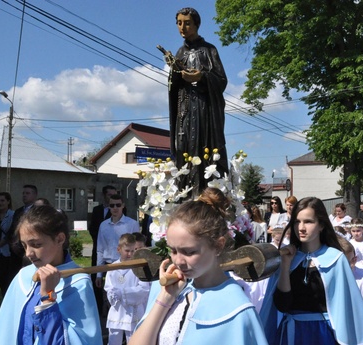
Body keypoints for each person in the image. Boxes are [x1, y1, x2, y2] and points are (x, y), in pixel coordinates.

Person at [128, 187, 268, 345]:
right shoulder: (169, 290)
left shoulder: (237, 309)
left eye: (189, 252)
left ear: (218, 245)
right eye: (172, 250)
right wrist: (164, 299)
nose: (178, 261)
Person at [260, 197, 363, 345]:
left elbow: (347, 308)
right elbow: (282, 305)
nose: (301, 228)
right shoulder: (287, 258)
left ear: (321, 225)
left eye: (308, 222)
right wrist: (284, 265)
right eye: (297, 222)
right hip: (292, 334)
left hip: (323, 334)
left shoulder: (335, 259)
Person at [0, 205, 101, 344]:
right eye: (24, 245)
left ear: (60, 239)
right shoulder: (23, 277)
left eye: (35, 244)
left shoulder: (78, 284)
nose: (28, 253)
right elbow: (4, 333)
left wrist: (48, 297)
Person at [166, 7, 228, 193]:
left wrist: (201, 77)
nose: (182, 27)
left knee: (204, 149)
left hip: (204, 110)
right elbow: (174, 86)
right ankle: (185, 191)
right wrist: (175, 71)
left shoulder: (209, 50)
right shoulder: (180, 52)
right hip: (184, 109)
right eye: (179, 23)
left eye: (187, 23)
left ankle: (206, 192)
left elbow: (222, 80)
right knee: (185, 149)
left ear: (196, 24)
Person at [105, 233, 151, 345]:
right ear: (119, 249)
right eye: (127, 251)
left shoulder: (139, 267)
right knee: (114, 339)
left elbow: (144, 289)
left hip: (133, 312)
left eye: (133, 250)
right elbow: (108, 286)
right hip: (117, 310)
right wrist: (112, 295)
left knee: (133, 339)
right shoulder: (112, 268)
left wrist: (123, 293)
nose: (130, 254)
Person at [96, 194, 140, 289]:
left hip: (126, 265)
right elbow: (100, 250)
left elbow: (137, 248)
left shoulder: (132, 224)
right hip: (108, 266)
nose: (115, 208)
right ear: (109, 207)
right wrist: (98, 274)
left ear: (123, 205)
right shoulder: (103, 225)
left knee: (128, 294)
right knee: (109, 297)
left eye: (118, 205)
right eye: (112, 205)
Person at [89, 185, 119, 314]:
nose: (112, 198)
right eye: (109, 195)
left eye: (114, 194)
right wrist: (100, 239)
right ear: (104, 196)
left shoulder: (120, 209)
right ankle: (98, 307)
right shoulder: (97, 210)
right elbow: (92, 228)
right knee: (97, 277)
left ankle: (112, 307)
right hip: (100, 248)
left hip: (115, 251)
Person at [9, 184, 38, 267]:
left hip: (30, 249)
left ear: (34, 195)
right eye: (23, 193)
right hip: (16, 250)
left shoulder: (37, 211)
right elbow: (12, 229)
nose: (24, 195)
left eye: (27, 193)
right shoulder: (18, 211)